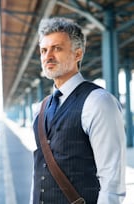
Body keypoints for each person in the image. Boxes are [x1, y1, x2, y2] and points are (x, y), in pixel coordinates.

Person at [30, 17, 126, 204]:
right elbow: (38, 170)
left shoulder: (98, 102)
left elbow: (111, 180)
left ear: (78, 54)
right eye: (44, 50)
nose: (48, 56)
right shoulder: (41, 108)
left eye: (57, 48)